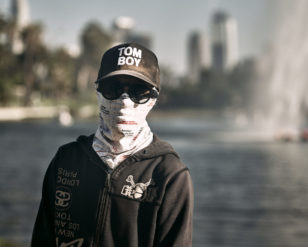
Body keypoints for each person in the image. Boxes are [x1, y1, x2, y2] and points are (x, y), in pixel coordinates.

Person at [31, 42, 194, 247]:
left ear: (153, 98)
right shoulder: (67, 160)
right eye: (113, 88)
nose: (125, 100)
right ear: (98, 92)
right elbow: (42, 237)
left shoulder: (169, 174)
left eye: (139, 91)